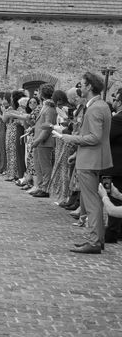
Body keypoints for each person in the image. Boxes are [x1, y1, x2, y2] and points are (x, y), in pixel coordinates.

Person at [54, 72, 113, 254]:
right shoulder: (101, 105)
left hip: (90, 160)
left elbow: (95, 137)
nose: (79, 88)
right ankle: (98, 239)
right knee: (94, 200)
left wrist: (68, 138)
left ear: (89, 87)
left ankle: (95, 240)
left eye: (81, 85)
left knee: (91, 202)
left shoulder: (95, 108)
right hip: (92, 157)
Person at [101, 88, 122, 242]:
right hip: (116, 166)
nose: (114, 102)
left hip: (113, 166)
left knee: (110, 195)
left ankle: (112, 232)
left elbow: (106, 137)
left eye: (115, 99)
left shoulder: (118, 119)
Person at [29, 83, 57, 198]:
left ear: (42, 93)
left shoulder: (50, 108)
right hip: (39, 140)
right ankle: (40, 186)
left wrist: (38, 140)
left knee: (45, 166)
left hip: (45, 141)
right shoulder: (44, 106)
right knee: (38, 165)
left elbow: (48, 127)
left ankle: (45, 188)